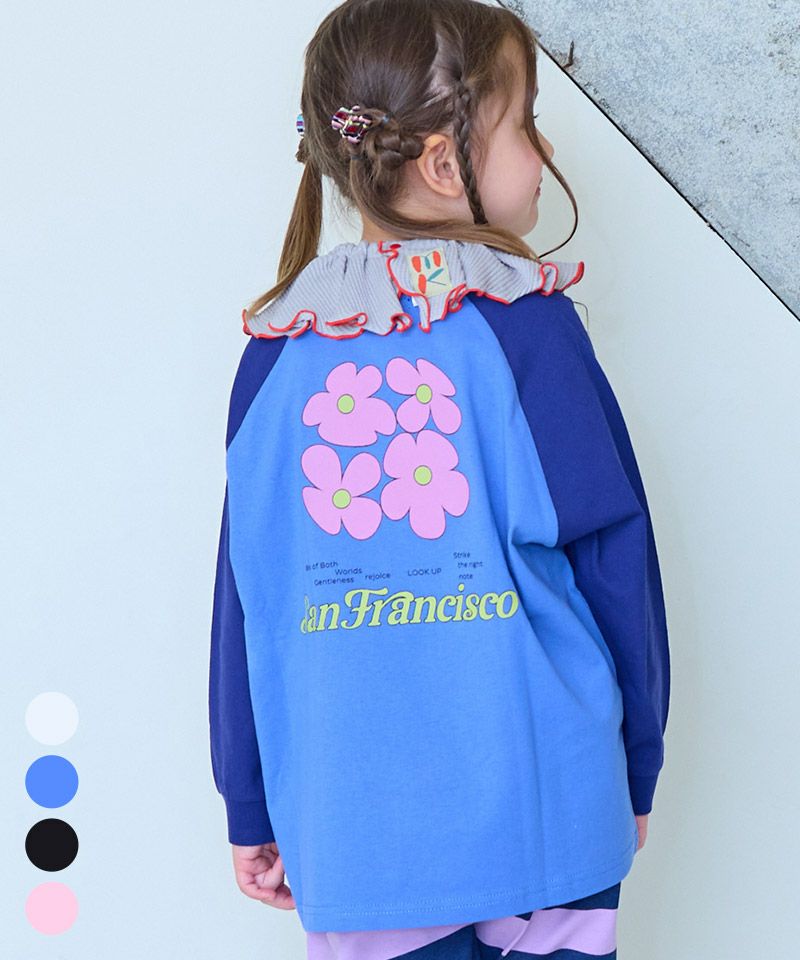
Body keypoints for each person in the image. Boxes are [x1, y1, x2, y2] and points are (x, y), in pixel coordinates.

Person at [208, 0, 671, 956]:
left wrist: (248, 797)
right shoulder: (531, 329)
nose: (544, 151)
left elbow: (248, 595)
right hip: (550, 804)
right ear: (443, 164)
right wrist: (635, 762)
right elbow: (616, 560)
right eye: (526, 123)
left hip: (354, 832)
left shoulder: (276, 353)